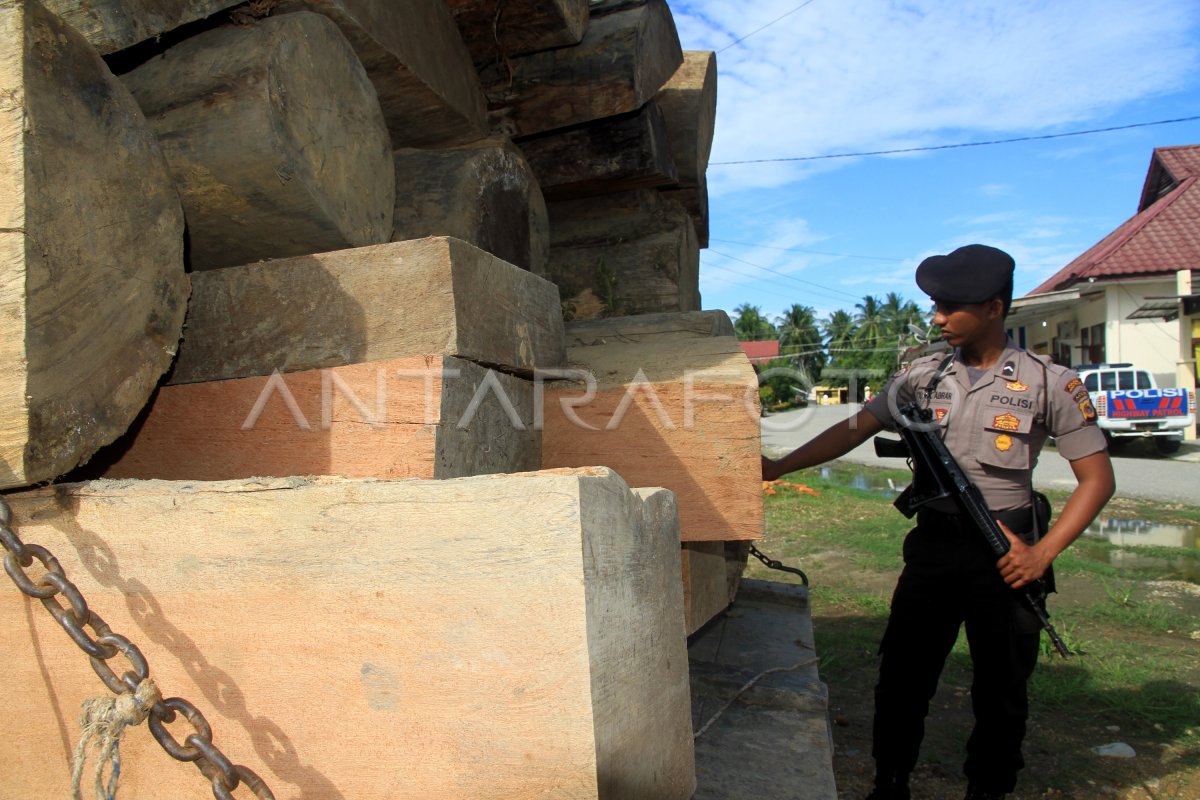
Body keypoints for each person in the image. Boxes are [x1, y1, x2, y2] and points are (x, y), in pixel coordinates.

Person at [762, 245, 1115, 800]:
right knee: (902, 677)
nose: (938, 317)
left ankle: (988, 790)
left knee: (1001, 689)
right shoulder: (920, 378)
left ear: (995, 307)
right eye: (935, 305)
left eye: (951, 306)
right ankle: (891, 783)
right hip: (934, 549)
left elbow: (1098, 480)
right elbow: (855, 427)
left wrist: (1042, 554)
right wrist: (779, 467)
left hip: (1006, 553)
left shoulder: (1050, 382)